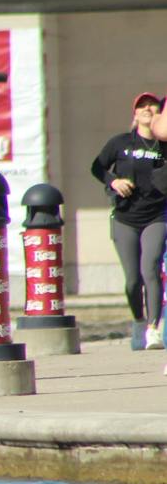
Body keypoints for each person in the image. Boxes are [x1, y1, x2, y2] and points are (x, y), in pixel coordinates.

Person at [92, 91, 167, 349]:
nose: (147, 109)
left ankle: (153, 329)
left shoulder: (164, 146)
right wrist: (113, 181)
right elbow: (97, 167)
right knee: (133, 280)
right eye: (142, 106)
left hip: (156, 215)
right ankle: (138, 321)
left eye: (152, 106)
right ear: (135, 113)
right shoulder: (121, 143)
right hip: (125, 218)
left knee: (151, 268)